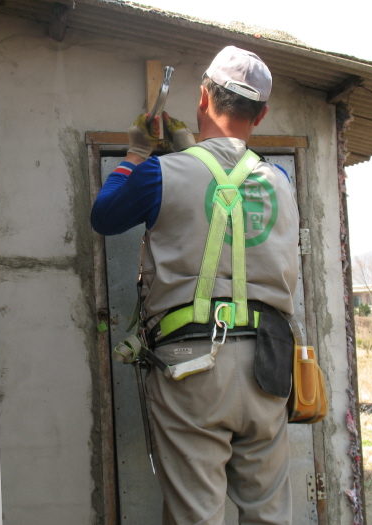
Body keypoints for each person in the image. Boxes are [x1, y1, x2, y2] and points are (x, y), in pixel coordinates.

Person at [91, 47, 299, 525]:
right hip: (269, 363)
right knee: (269, 513)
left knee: (196, 515)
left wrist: (137, 153)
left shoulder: (160, 173)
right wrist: (189, 148)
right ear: (261, 114)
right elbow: (224, 191)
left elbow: (104, 216)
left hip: (193, 360)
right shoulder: (281, 181)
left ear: (203, 97)